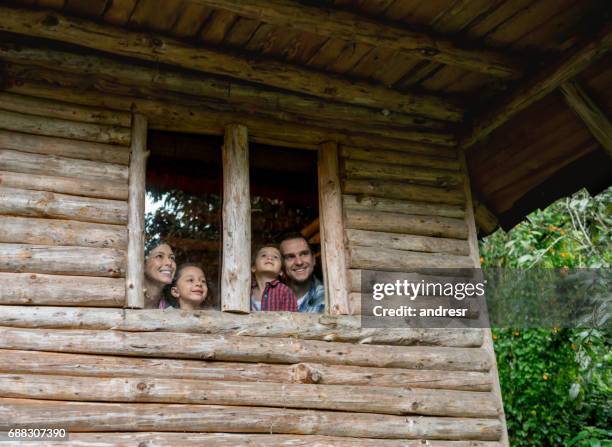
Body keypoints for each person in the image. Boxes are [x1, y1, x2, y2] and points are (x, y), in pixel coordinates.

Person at [279, 233, 325, 313]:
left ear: (313, 259)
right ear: (281, 264)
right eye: (290, 256)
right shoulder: (270, 296)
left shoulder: (329, 298)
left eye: (304, 254)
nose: (299, 262)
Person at [251, 245, 297, 312]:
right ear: (253, 267)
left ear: (281, 271)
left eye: (275, 257)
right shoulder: (247, 291)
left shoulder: (285, 292)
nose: (269, 258)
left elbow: (290, 319)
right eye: (263, 255)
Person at [144, 240, 176, 309]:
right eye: (159, 256)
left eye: (172, 258)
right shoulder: (125, 298)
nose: (169, 262)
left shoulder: (171, 310)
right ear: (143, 264)